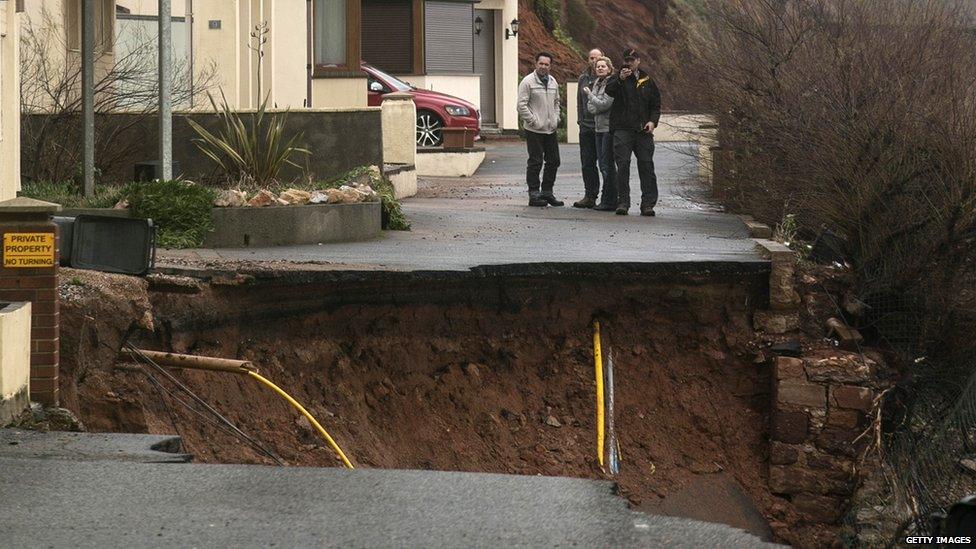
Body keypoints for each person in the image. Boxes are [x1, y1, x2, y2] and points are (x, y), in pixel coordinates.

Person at [606, 48, 661, 216]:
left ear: (638, 61)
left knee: (646, 165)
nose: (629, 62)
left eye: (633, 59)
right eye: (627, 60)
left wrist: (652, 122)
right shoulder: (617, 78)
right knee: (622, 166)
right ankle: (623, 202)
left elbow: (656, 105)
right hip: (622, 129)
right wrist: (621, 79)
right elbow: (609, 91)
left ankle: (648, 204)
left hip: (643, 131)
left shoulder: (648, 80)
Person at [517, 52, 563, 207]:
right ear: (535, 64)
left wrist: (556, 118)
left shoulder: (553, 82)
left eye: (546, 64)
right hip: (534, 130)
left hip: (551, 129)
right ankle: (534, 193)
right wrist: (533, 121)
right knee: (535, 162)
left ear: (550, 66)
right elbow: (521, 105)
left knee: (554, 161)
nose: (543, 66)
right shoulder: (527, 82)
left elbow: (557, 102)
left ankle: (547, 192)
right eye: (541, 63)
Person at [583, 56, 617, 211]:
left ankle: (610, 199)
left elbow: (605, 105)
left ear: (609, 68)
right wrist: (595, 102)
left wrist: (590, 96)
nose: (600, 68)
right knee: (602, 164)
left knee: (607, 165)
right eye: (598, 66)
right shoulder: (596, 83)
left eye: (603, 66)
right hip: (598, 128)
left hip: (608, 129)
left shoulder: (611, 83)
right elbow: (592, 108)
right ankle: (607, 199)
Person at [572, 48, 604, 209]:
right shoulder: (583, 78)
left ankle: (609, 196)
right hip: (586, 127)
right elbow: (579, 101)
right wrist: (580, 120)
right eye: (591, 58)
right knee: (587, 163)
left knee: (606, 163)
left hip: (602, 127)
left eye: (596, 58)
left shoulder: (607, 78)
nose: (594, 61)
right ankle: (590, 195)